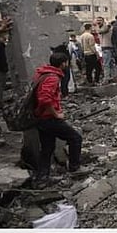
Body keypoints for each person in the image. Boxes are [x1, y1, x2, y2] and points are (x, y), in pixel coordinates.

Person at [31, 51, 85, 182]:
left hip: (40, 118)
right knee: (75, 138)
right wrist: (56, 114)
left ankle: (42, 178)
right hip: (49, 118)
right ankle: (74, 167)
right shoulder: (53, 78)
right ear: (63, 64)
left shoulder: (42, 74)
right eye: (66, 62)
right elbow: (44, 99)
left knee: (47, 148)